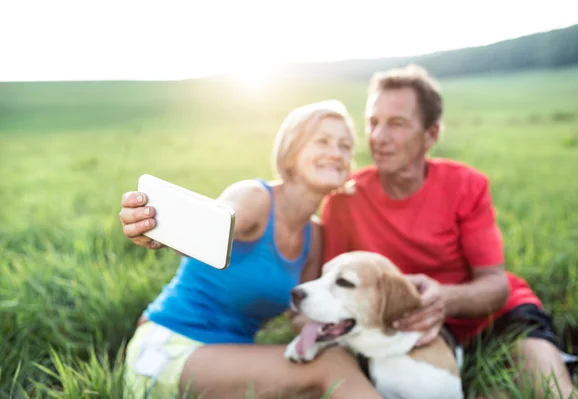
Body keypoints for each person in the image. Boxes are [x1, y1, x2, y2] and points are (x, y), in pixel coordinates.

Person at [317, 65, 578, 398]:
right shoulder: (344, 200)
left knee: (555, 395)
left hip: (495, 319)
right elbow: (328, 296)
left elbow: (496, 285)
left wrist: (444, 299)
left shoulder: (466, 185)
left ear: (432, 134)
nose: (379, 137)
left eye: (397, 124)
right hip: (402, 335)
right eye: (373, 122)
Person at [119, 100, 383, 399]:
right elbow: (208, 229)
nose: (336, 153)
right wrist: (158, 231)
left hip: (228, 359)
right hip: (169, 348)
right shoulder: (255, 198)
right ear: (293, 150)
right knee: (332, 367)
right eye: (322, 141)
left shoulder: (315, 234)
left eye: (345, 146)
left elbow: (300, 317)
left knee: (330, 364)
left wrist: (364, 318)